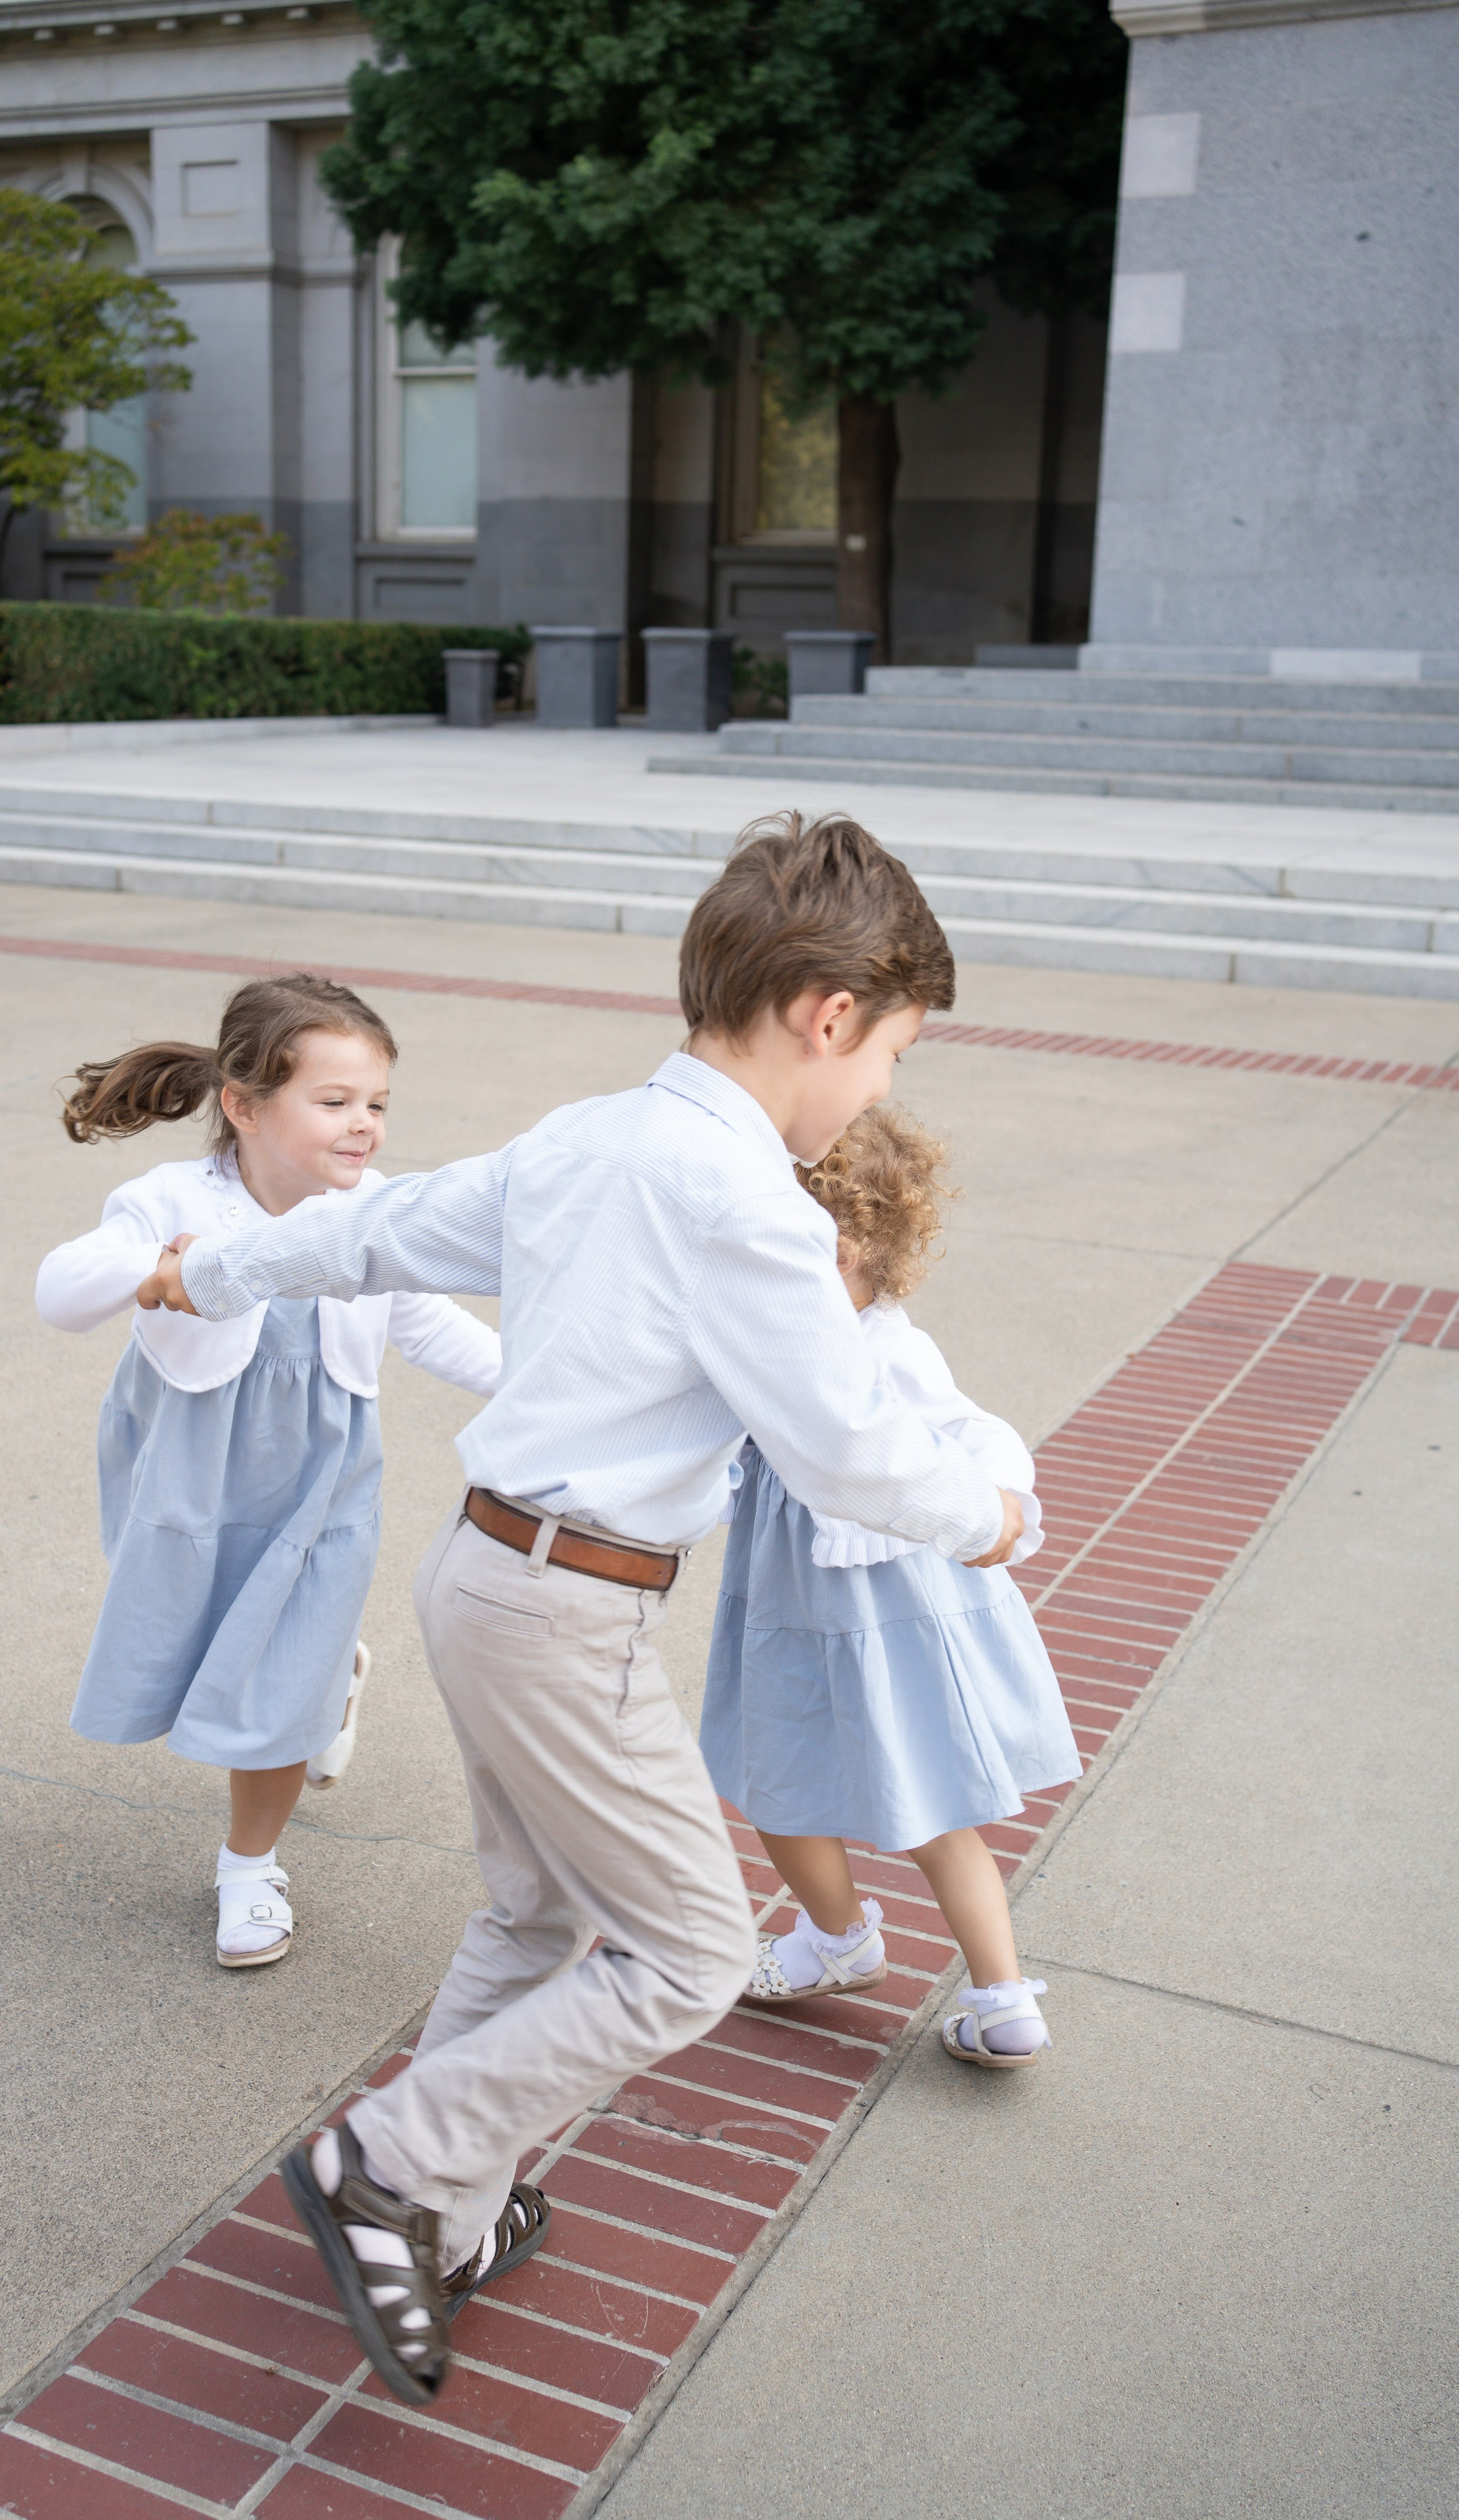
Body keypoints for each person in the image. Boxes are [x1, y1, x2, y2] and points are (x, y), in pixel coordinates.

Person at [135, 814, 1027, 2407]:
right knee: (686, 1950)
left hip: (484, 1579)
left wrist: (207, 1270)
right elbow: (843, 1449)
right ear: (828, 1015)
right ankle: (388, 2161)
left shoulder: (587, 1136)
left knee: (533, 1916)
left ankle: (449, 2220)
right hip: (564, 1612)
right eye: (892, 1049)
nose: (883, 1085)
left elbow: (371, 1228)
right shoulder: (746, 1202)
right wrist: (992, 1514)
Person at [35, 973, 500, 1970]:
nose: (364, 1125)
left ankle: (250, 1865)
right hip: (190, 1477)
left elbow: (424, 1320)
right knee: (203, 1643)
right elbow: (61, 1291)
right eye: (334, 1102)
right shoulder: (173, 1199)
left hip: (322, 1477)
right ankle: (332, 1681)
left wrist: (538, 1389)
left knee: (280, 1674)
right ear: (244, 1105)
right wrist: (166, 1265)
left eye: (377, 1103)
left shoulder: (370, 1211)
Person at [701, 1102, 1080, 2064]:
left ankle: (993, 1990)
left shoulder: (892, 1349)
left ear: (874, 1243)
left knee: (922, 1802)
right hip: (795, 1602)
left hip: (888, 1608)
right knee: (777, 1779)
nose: (788, 1286)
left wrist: (1002, 1500)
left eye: (817, 1258)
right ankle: (850, 1938)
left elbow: (978, 1433)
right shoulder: (765, 1344)